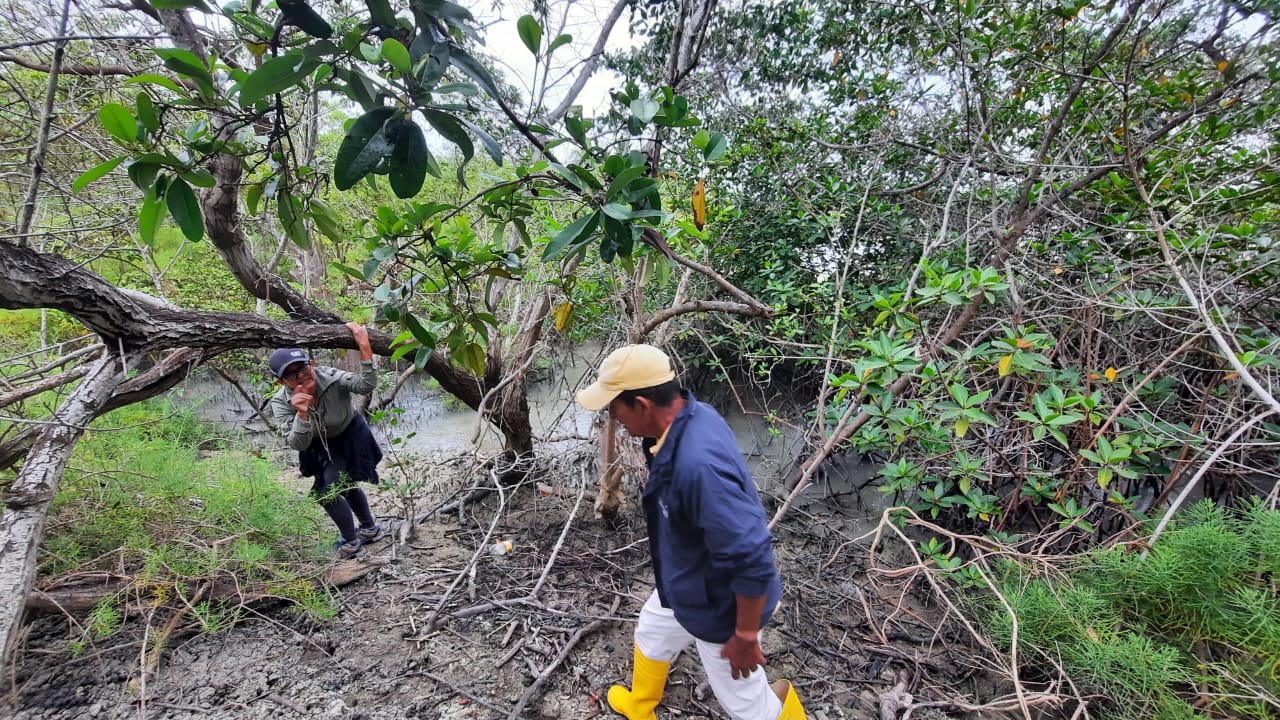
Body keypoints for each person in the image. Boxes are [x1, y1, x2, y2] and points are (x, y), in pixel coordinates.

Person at [577, 344, 806, 720]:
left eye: (614, 408)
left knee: (746, 704)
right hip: (687, 580)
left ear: (643, 405)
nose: (612, 417)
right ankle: (640, 706)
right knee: (652, 631)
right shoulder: (689, 418)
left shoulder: (698, 466)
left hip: (722, 605)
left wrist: (745, 636)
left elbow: (751, 558)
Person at [268, 322, 384, 559]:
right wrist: (302, 414)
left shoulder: (330, 377)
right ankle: (367, 529)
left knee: (329, 491)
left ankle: (352, 540)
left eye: (303, 369)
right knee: (337, 485)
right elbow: (296, 443)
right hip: (319, 445)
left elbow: (365, 385)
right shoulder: (280, 402)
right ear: (281, 381)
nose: (301, 377)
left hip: (350, 434)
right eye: (291, 374)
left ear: (312, 364)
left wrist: (364, 345)